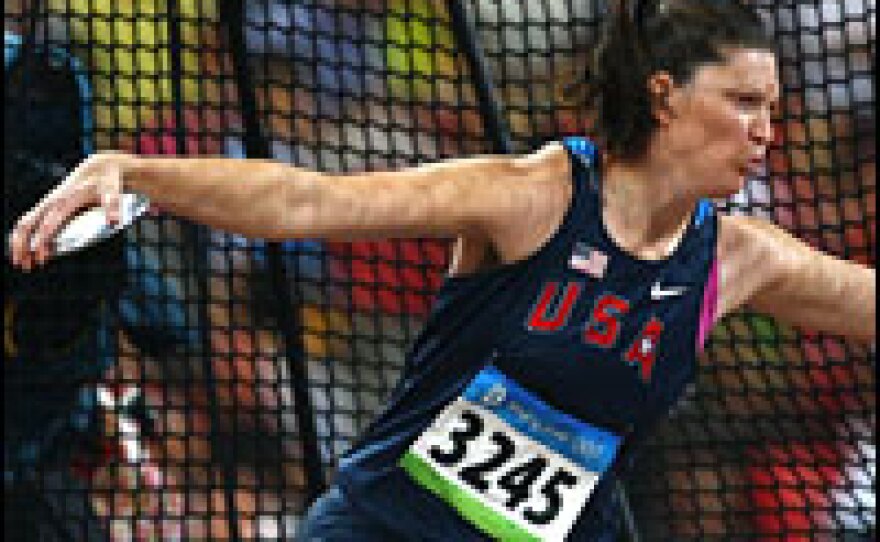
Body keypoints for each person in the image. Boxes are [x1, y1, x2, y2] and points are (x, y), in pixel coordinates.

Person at [8, 1, 876, 540]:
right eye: (744, 102)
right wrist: (139, 172)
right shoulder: (533, 196)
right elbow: (307, 202)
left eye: (775, 107)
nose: (768, 129)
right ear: (663, 96)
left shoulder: (737, 255)